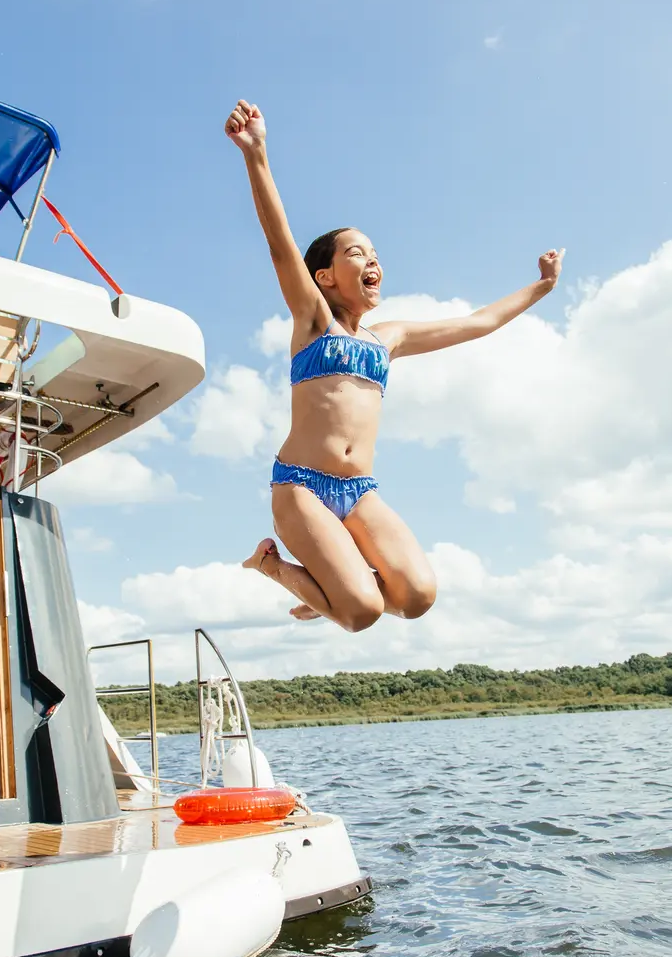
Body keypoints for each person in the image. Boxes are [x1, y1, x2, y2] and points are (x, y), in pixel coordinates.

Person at [225, 99, 564, 633]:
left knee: (417, 596)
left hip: (360, 491)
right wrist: (256, 155)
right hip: (301, 487)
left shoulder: (389, 338)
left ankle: (331, 587)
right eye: (356, 253)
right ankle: (279, 569)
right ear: (325, 277)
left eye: (375, 253)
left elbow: (478, 323)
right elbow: (279, 245)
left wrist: (540, 288)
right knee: (361, 613)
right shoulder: (314, 321)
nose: (372, 261)